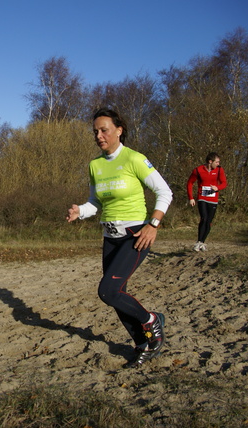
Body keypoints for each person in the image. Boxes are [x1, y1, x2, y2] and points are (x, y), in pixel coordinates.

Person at [66, 108, 173, 368]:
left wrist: (153, 225)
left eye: (104, 130)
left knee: (108, 291)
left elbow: (164, 192)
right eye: (95, 132)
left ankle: (151, 320)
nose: (99, 136)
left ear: (119, 130)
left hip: (135, 236)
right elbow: (95, 202)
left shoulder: (134, 159)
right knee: (117, 294)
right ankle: (143, 344)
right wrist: (81, 211)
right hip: (109, 237)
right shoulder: (95, 165)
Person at [186, 152, 227, 252]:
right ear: (210, 161)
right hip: (202, 197)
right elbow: (190, 183)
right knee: (203, 218)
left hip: (213, 199)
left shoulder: (219, 170)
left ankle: (202, 242)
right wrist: (191, 197)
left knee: (209, 221)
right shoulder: (198, 170)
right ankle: (198, 242)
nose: (218, 164)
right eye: (216, 162)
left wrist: (217, 188)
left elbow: (224, 183)